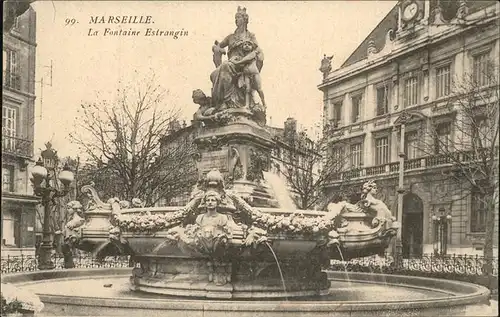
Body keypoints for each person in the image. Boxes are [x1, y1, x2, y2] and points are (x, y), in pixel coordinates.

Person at [210, 6, 264, 109]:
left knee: (225, 66)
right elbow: (218, 46)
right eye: (236, 18)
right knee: (217, 72)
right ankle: (222, 102)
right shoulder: (230, 37)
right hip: (232, 62)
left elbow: (258, 50)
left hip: (244, 64)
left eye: (238, 17)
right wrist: (217, 49)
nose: (236, 20)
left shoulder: (250, 36)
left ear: (245, 19)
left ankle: (226, 101)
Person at [232, 40, 266, 107]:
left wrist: (237, 62)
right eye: (245, 44)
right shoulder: (241, 57)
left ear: (252, 47)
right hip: (247, 74)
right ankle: (247, 105)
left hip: (255, 73)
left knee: (259, 89)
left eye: (249, 44)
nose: (247, 45)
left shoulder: (253, 53)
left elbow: (247, 59)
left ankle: (264, 102)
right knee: (247, 89)